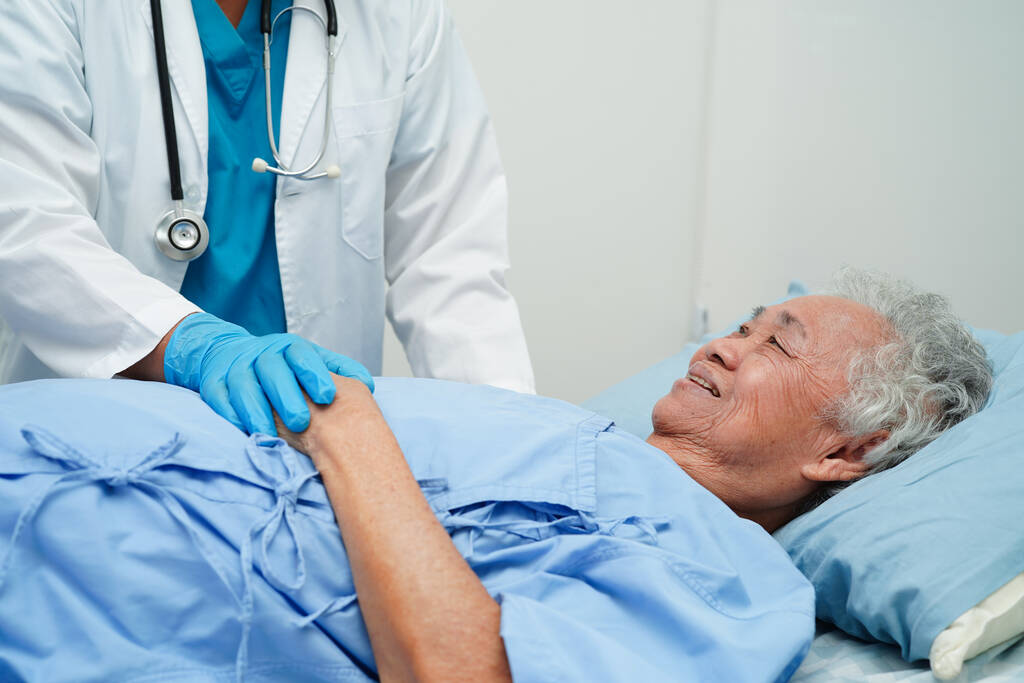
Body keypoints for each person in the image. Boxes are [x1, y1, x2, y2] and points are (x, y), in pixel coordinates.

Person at [0, 271, 992, 681]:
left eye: (776, 342)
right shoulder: (560, 431)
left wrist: (347, 431)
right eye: (737, 323)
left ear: (843, 451)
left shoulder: (732, 578)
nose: (724, 346)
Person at [0, 0, 534, 437]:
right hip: (91, 444)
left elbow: (450, 264)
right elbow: (26, 222)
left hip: (311, 437)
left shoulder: (400, 14)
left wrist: (512, 445)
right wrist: (195, 346)